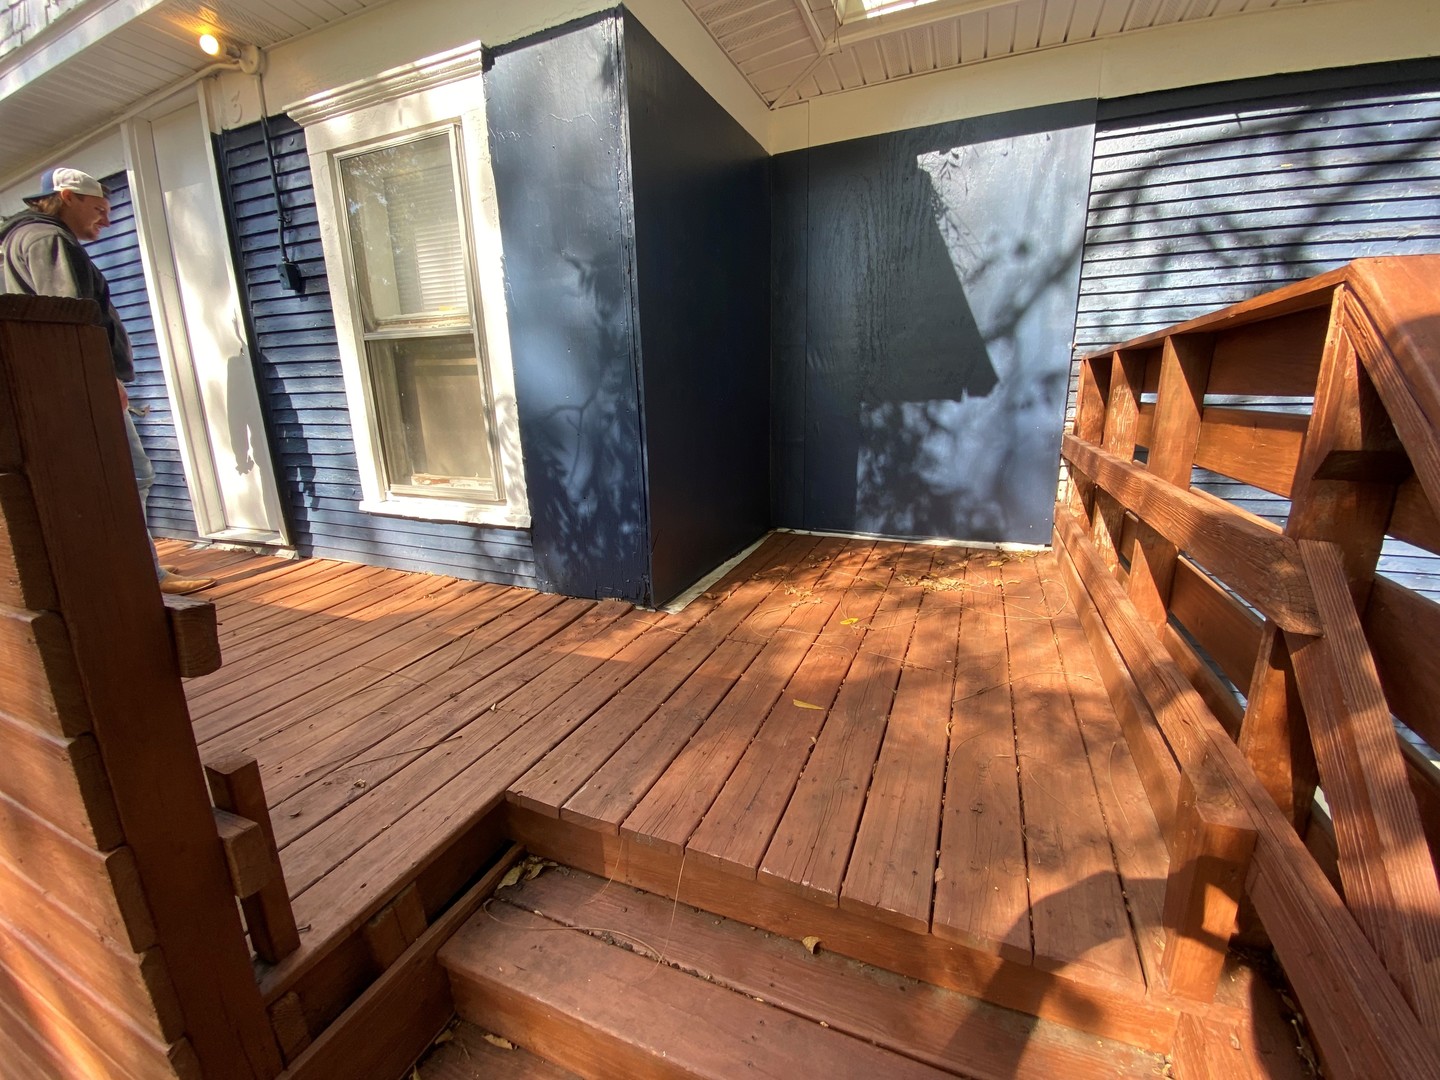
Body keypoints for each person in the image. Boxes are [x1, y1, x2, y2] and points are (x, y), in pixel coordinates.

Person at [0, 167, 214, 594]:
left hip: (55, 386)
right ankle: (141, 574)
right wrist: (103, 378)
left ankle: (129, 571)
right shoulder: (48, 240)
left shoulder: (17, 240)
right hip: (78, 384)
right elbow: (72, 319)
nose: (107, 219)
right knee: (133, 474)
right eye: (98, 209)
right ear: (67, 196)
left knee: (108, 477)